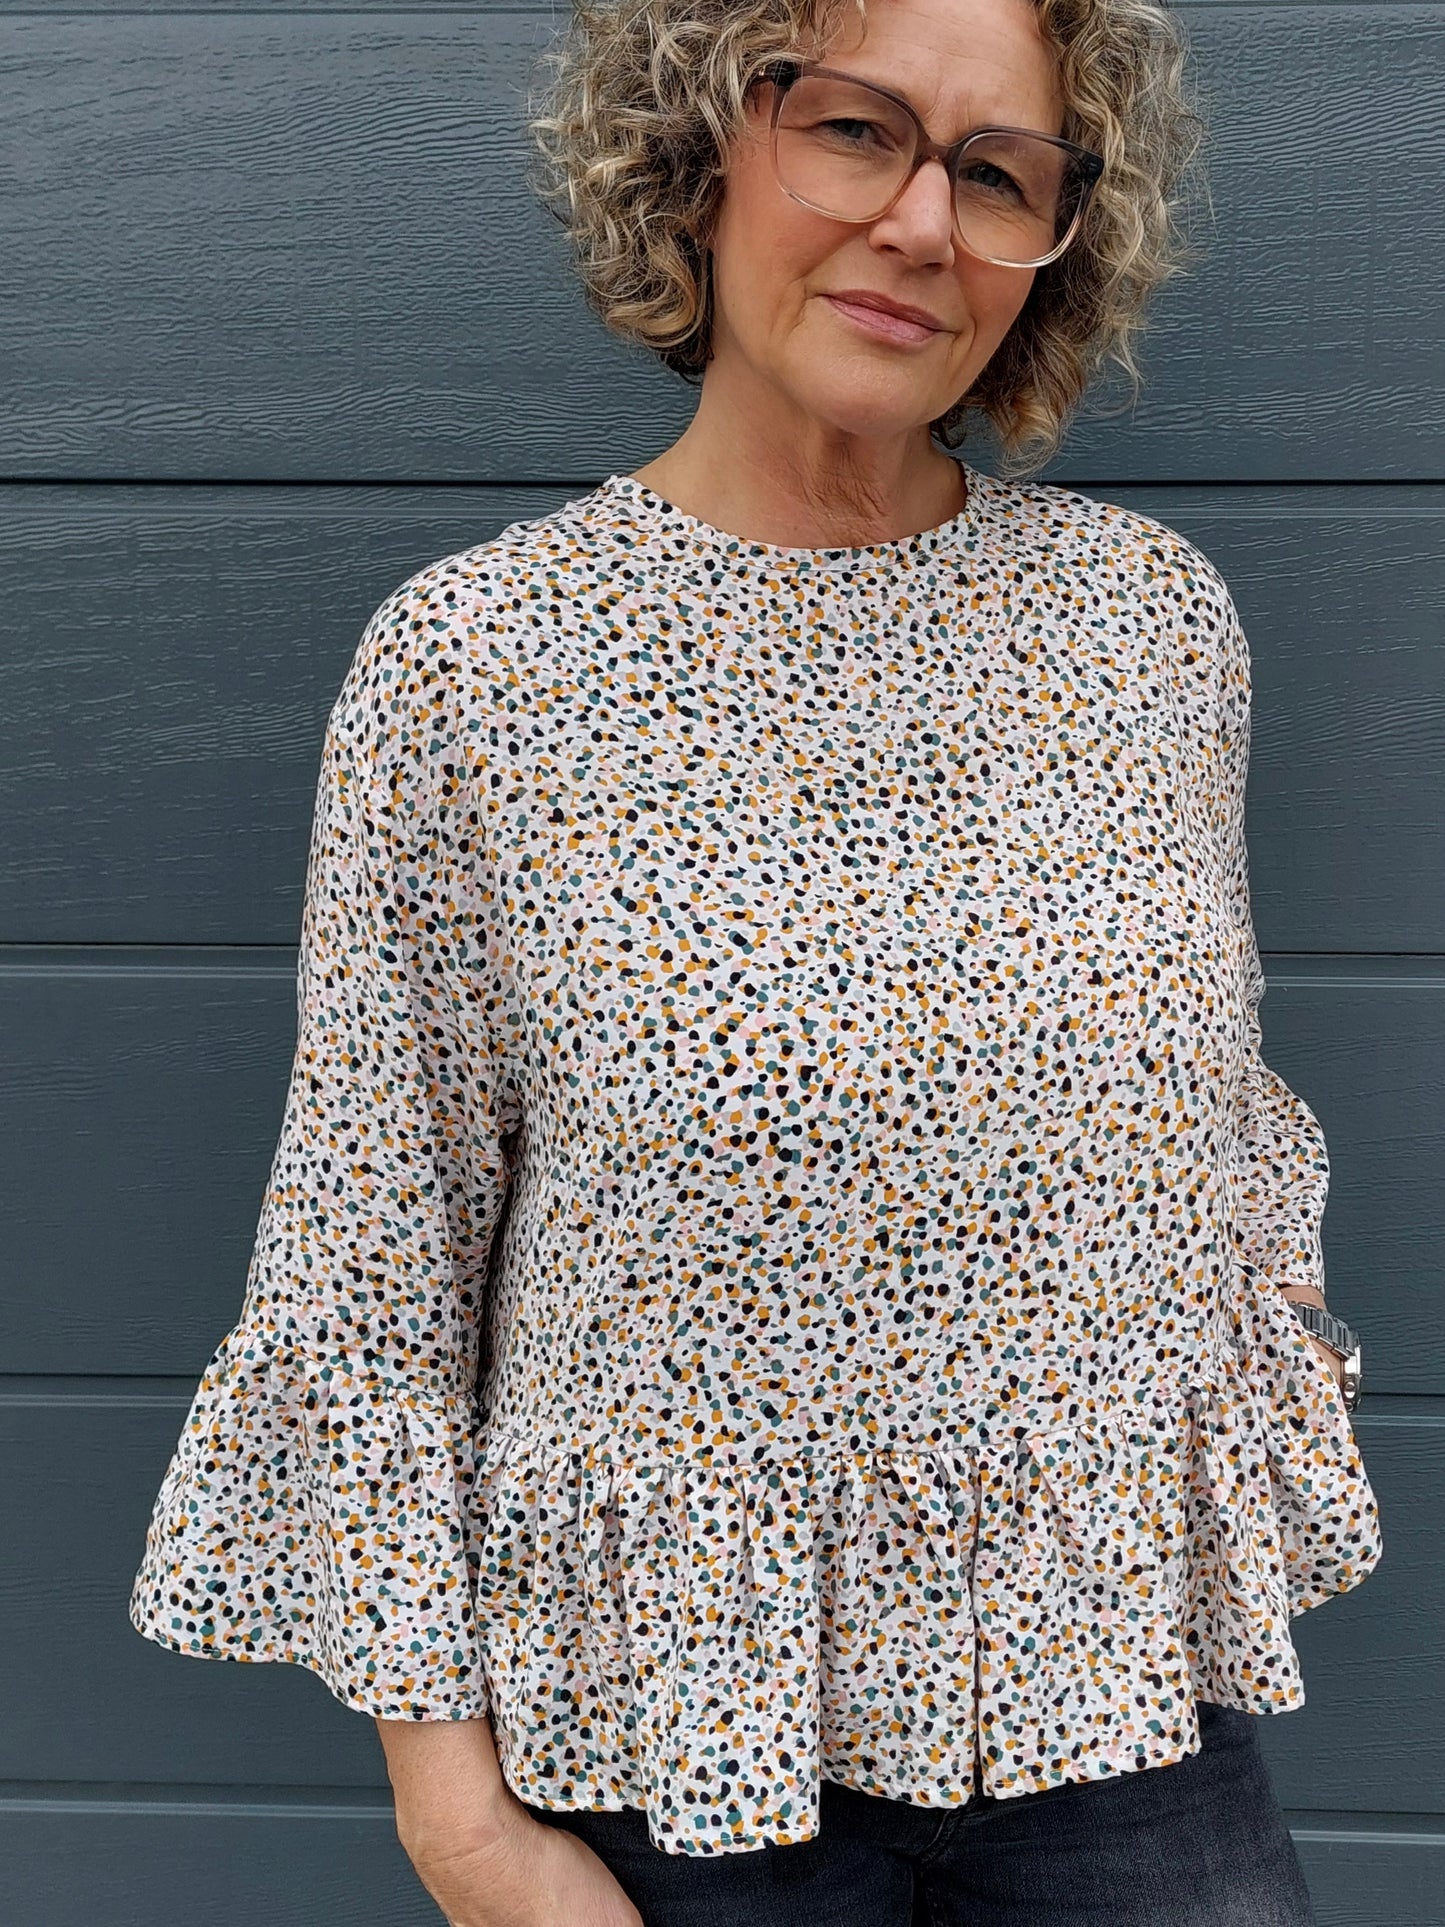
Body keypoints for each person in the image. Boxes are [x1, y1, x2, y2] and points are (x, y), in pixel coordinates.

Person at [129, 0, 1383, 1919]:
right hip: (684, 1755)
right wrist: (460, 1829)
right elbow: (367, 1262)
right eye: (856, 130)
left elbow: (1219, 1108)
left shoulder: (1149, 626)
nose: (921, 224)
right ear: (698, 152)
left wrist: (1260, 1339)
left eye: (996, 172)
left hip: (1123, 1723)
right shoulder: (477, 669)